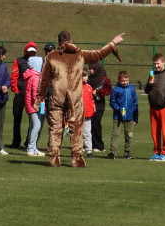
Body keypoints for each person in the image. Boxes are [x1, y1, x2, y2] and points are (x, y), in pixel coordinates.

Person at [34, 29, 124, 167]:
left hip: (57, 96)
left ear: (58, 42)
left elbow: (43, 79)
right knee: (76, 128)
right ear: (71, 41)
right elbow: (99, 54)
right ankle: (77, 158)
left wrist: (40, 97)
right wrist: (113, 42)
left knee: (56, 128)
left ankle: (54, 157)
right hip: (75, 97)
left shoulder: (51, 56)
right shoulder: (79, 54)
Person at [9, 42, 39, 149]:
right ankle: (16, 141)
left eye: (33, 52)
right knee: (17, 117)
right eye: (29, 51)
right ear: (25, 51)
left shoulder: (38, 61)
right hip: (20, 92)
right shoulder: (19, 61)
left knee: (33, 119)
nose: (31, 53)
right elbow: (14, 75)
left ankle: (29, 142)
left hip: (31, 94)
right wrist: (15, 89)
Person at [109, 71, 139, 159]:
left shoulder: (132, 89)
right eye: (123, 81)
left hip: (129, 116)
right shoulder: (116, 89)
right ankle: (113, 151)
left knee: (129, 135)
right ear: (119, 80)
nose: (125, 82)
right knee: (115, 134)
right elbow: (112, 102)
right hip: (117, 116)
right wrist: (118, 108)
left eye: (126, 80)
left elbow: (135, 103)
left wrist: (135, 117)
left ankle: (127, 152)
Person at [23, 54, 44, 157]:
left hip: (33, 104)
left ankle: (34, 148)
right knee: (37, 126)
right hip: (34, 105)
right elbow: (35, 92)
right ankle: (31, 147)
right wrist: (39, 103)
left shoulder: (33, 75)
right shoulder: (35, 77)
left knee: (33, 126)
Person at [87, 60, 110, 152]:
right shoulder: (90, 77)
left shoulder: (102, 77)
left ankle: (100, 146)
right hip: (90, 103)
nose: (89, 70)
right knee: (90, 125)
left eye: (91, 69)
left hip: (99, 104)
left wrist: (97, 91)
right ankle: (92, 144)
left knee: (96, 124)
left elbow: (107, 89)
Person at [82, 70, 95, 157]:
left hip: (87, 114)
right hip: (78, 114)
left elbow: (91, 99)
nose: (86, 77)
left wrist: (93, 108)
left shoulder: (89, 87)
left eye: (87, 75)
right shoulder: (75, 87)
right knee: (78, 133)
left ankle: (89, 151)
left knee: (87, 133)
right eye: (84, 76)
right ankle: (77, 150)